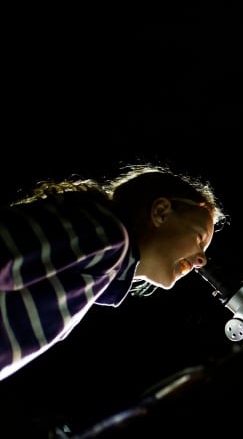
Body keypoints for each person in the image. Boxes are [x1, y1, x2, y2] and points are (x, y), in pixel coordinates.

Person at [0, 163, 228, 382]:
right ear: (161, 212)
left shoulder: (103, 265)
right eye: (199, 238)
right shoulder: (107, 235)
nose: (202, 260)